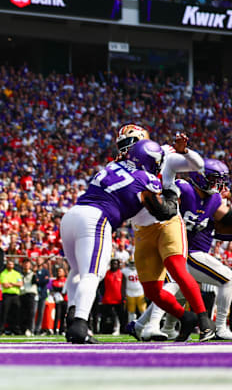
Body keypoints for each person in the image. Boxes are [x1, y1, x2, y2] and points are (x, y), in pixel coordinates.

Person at [60, 132, 195, 344]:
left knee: (77, 271)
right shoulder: (146, 178)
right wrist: (171, 192)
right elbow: (164, 212)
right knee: (93, 274)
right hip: (96, 219)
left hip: (71, 216)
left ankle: (72, 317)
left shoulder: (112, 166)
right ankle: (79, 324)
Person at [131, 158, 232, 340]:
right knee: (227, 279)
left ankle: (144, 326)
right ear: (200, 177)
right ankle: (220, 328)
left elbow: (227, 219)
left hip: (187, 251)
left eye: (220, 181)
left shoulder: (215, 199)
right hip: (180, 248)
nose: (217, 185)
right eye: (213, 180)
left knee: (177, 290)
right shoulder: (183, 188)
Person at [100, 259, 125, 335]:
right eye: (113, 263)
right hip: (107, 299)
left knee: (121, 316)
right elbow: (101, 286)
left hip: (119, 299)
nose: (114, 265)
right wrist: (102, 294)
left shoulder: (121, 274)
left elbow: (124, 286)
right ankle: (103, 330)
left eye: (116, 263)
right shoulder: (106, 274)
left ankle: (122, 330)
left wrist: (124, 297)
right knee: (105, 316)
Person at [0, 260, 23, 335]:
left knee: (16, 313)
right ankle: (2, 330)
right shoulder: (3, 274)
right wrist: (15, 284)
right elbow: (5, 285)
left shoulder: (17, 274)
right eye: (9, 264)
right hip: (7, 295)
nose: (10, 265)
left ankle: (15, 329)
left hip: (15, 295)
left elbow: (20, 284)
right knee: (5, 313)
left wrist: (11, 283)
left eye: (11, 264)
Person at [121, 257, 146, 325]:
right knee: (131, 311)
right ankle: (131, 325)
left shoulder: (141, 269)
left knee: (143, 311)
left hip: (140, 292)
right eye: (131, 263)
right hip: (130, 293)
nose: (133, 264)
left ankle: (145, 325)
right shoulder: (125, 270)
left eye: (134, 262)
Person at [19, 259, 38, 336]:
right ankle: (23, 329)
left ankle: (30, 329)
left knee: (31, 312)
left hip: (31, 293)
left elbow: (36, 282)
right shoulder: (20, 274)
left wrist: (35, 273)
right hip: (23, 294)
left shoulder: (33, 274)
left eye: (28, 264)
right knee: (23, 313)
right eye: (25, 264)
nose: (26, 265)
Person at [34, 258, 50, 334]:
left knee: (40, 312)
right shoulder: (35, 271)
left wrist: (38, 281)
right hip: (35, 293)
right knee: (33, 312)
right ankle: (32, 328)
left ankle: (38, 328)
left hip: (43, 294)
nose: (38, 262)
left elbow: (45, 281)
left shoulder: (45, 271)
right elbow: (34, 281)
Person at [50, 268, 67, 334]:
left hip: (65, 300)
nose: (59, 272)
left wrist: (61, 289)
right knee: (57, 315)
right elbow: (55, 288)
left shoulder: (66, 280)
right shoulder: (55, 281)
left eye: (60, 271)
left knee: (63, 316)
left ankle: (62, 330)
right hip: (58, 300)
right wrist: (62, 289)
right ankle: (55, 329)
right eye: (58, 271)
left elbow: (66, 289)